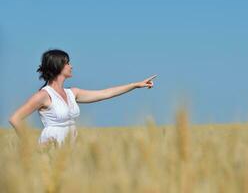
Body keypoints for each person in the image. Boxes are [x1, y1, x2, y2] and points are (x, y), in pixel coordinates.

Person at [9, 49, 157, 146]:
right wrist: (31, 147)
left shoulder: (72, 93)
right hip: (50, 149)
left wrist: (136, 84)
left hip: (70, 147)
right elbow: (15, 118)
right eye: (67, 63)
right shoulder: (43, 95)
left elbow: (105, 93)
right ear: (57, 66)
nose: (71, 66)